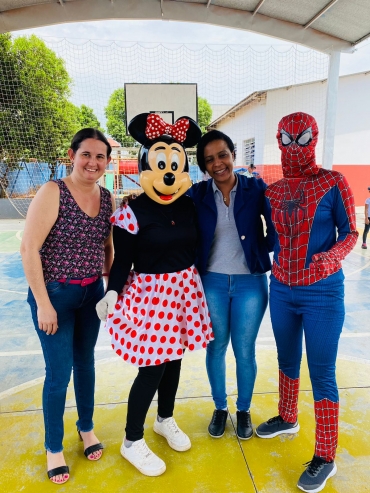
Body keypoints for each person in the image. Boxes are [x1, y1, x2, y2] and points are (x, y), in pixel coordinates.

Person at [96, 113, 213, 477]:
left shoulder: (189, 204)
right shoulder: (131, 212)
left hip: (183, 291)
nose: (168, 172)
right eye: (160, 163)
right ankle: (132, 440)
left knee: (175, 360)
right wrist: (112, 291)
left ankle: (164, 419)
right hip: (150, 297)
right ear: (147, 163)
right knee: (152, 368)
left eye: (174, 164)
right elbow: (122, 260)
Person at [255, 112, 358, 493]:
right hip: (281, 287)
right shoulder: (272, 191)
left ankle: (326, 456)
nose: (294, 147)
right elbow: (267, 238)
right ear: (278, 140)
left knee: (322, 372)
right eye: (287, 139)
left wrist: (333, 256)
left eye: (302, 139)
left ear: (313, 138)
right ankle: (287, 415)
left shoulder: (334, 182)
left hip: (323, 292)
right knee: (285, 359)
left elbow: (351, 232)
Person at [21, 128, 115, 484]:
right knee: (59, 374)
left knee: (86, 364)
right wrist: (44, 304)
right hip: (55, 295)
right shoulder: (52, 192)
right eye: (86, 154)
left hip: (91, 295)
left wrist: (109, 287)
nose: (93, 162)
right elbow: (29, 249)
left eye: (100, 156)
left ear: (107, 162)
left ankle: (86, 427)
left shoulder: (107, 198)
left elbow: (107, 247)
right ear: (72, 156)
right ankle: (53, 447)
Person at [187, 129, 275, 441]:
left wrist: (261, 252)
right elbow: (165, 209)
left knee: (244, 349)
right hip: (210, 282)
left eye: (222, 154)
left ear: (233, 155)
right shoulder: (196, 195)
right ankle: (220, 407)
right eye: (209, 159)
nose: (218, 163)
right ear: (204, 166)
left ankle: (244, 409)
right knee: (217, 346)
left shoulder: (256, 188)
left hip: (251, 283)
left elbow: (275, 224)